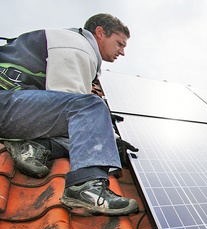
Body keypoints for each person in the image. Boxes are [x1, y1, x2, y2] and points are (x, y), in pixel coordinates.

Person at [0, 13, 138, 215]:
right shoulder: (76, 45)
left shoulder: (68, 41)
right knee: (90, 107)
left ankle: (35, 146)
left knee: (89, 121)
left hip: (13, 106)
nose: (122, 52)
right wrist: (110, 138)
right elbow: (76, 108)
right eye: (119, 43)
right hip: (6, 103)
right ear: (100, 33)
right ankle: (86, 185)